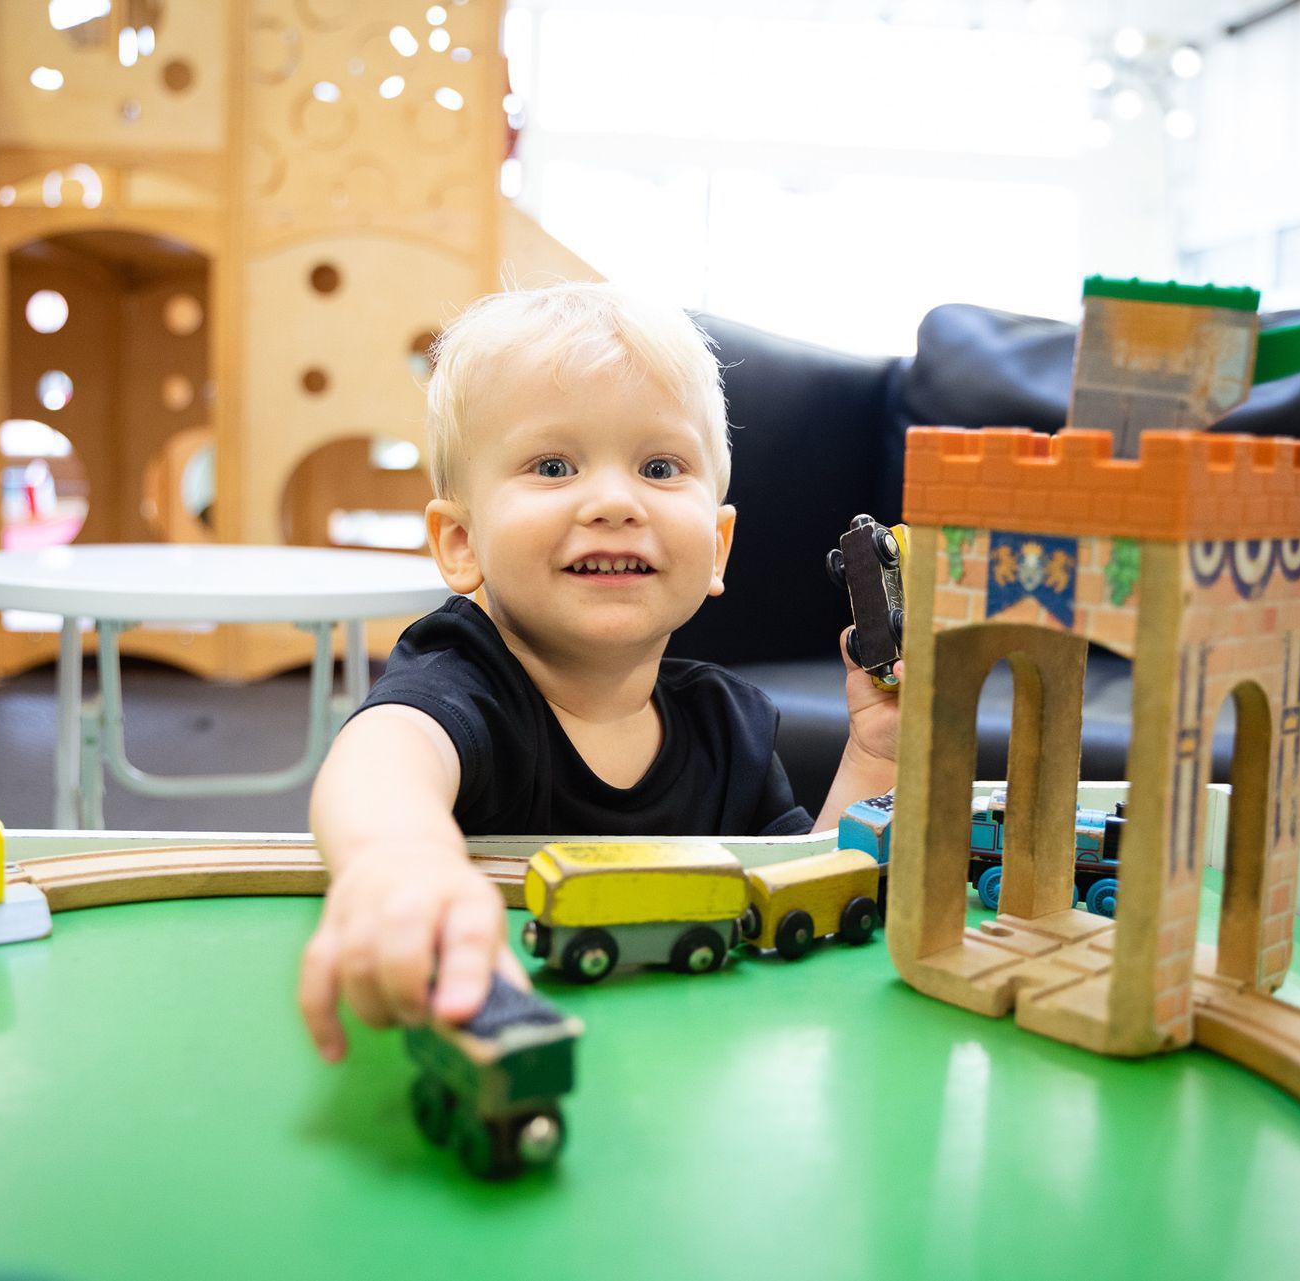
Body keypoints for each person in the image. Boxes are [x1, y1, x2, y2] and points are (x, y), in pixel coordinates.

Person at [297, 283, 900, 1062]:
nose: (614, 500)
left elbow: (804, 884)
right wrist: (397, 860)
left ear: (717, 547)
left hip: (678, 1072)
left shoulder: (729, 727)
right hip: (490, 1030)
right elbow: (382, 759)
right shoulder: (464, 673)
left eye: (658, 465)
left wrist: (874, 760)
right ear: (461, 543)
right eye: (553, 465)